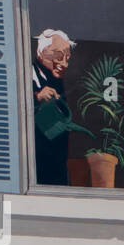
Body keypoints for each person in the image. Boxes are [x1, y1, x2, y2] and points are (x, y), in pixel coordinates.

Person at [32, 29, 75, 185]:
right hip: (34, 170)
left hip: (56, 170)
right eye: (58, 56)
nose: (64, 64)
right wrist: (36, 97)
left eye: (67, 58)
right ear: (42, 52)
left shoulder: (57, 81)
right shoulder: (25, 73)